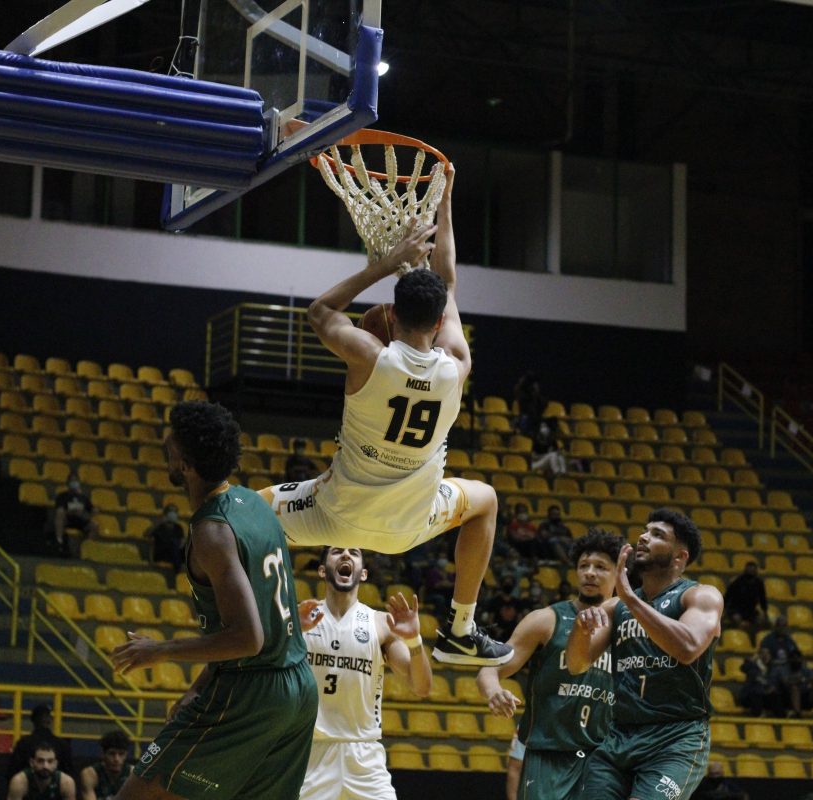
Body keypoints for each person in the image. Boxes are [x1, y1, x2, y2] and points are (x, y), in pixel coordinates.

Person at [261, 166, 510, 667]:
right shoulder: (457, 365)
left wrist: (385, 265)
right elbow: (448, 281)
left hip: (335, 515)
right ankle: (461, 630)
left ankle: (267, 627)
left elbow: (320, 311)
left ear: (390, 316)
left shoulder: (369, 356)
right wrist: (444, 202)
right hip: (410, 526)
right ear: (439, 322)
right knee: (485, 501)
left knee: (247, 514)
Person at [110, 400, 319, 800]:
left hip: (251, 693)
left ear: (186, 465)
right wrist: (198, 686)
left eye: (171, 445)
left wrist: (161, 650)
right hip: (297, 686)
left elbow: (248, 638)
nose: (166, 444)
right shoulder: (253, 502)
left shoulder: (212, 531)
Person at [567, 509, 723, 800]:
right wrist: (580, 630)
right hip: (620, 736)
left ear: (680, 557)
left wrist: (630, 599)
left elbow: (688, 648)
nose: (643, 537)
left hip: (676, 737)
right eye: (645, 530)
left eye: (657, 535)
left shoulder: (700, 595)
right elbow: (576, 664)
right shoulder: (616, 607)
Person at [476, 529, 624, 800]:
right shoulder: (546, 619)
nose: (590, 573)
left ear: (619, 573)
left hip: (602, 758)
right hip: (548, 754)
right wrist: (493, 691)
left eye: (600, 567)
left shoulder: (625, 625)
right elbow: (490, 668)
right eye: (584, 566)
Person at [299, 545, 431, 800]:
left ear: (364, 574)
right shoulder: (301, 617)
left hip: (364, 754)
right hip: (311, 752)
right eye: (337, 551)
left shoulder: (381, 624)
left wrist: (414, 640)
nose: (346, 555)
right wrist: (289, 631)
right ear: (322, 570)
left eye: (354, 552)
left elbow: (421, 687)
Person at [6, 705, 74, 780]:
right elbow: (69, 774)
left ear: (33, 721)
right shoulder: (62, 744)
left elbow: (13, 772)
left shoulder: (23, 743)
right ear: (50, 720)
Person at [52, 472, 98, 557]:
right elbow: (60, 510)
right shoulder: (62, 496)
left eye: (76, 480)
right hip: (68, 520)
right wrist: (71, 512)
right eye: (72, 481)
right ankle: (59, 542)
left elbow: (92, 510)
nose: (74, 483)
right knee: (60, 515)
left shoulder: (83, 497)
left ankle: (87, 549)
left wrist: (87, 514)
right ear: (68, 483)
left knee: (94, 525)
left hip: (80, 520)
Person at [6, 744, 75, 800]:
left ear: (55, 764)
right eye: (40, 761)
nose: (45, 766)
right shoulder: (19, 781)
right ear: (32, 762)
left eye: (50, 761)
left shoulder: (66, 782)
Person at [79, 730, 133, 800]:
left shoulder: (133, 774)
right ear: (103, 754)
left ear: (126, 755)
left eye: (121, 754)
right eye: (112, 753)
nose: (116, 759)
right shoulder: (91, 775)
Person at [737, 647, 781, 718]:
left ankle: (781, 718)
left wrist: (771, 688)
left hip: (764, 695)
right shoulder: (753, 666)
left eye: (768, 653)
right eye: (763, 653)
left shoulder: (772, 668)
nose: (766, 655)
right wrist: (752, 660)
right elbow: (743, 668)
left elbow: (773, 682)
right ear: (759, 655)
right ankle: (757, 716)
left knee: (776, 696)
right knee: (756, 692)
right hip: (750, 696)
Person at [722, 562, 766, 631]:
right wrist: (724, 610)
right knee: (737, 619)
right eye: (749, 570)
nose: (751, 572)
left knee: (761, 621)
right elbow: (727, 596)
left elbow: (763, 599)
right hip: (736, 610)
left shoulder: (759, 583)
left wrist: (764, 612)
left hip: (751, 611)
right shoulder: (737, 582)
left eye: (753, 571)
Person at [145, 505, 185, 573]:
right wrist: (158, 523)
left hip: (175, 553)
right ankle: (179, 568)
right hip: (161, 553)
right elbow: (146, 534)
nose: (173, 514)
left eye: (175, 512)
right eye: (171, 511)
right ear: (166, 514)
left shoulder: (178, 527)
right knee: (173, 543)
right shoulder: (159, 526)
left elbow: (182, 541)